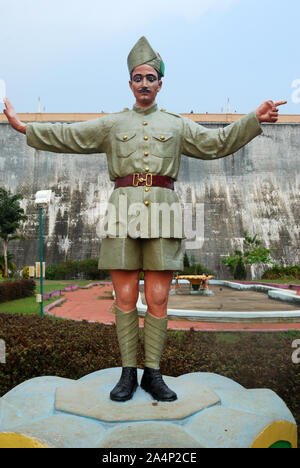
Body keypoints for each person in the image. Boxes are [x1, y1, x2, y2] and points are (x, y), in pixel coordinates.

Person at [3, 36, 286, 403]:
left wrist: (252, 119)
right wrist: (25, 128)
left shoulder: (177, 125)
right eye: (138, 77)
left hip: (164, 213)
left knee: (158, 298)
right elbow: (71, 135)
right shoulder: (113, 123)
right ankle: (127, 375)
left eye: (151, 77)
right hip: (122, 210)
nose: (144, 84)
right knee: (123, 297)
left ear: (160, 83)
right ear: (130, 82)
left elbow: (215, 144)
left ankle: (153, 374)